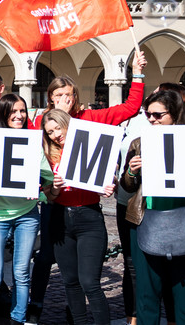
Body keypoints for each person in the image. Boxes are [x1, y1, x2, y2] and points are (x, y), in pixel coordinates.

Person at [121, 89, 185, 325]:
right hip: (146, 221)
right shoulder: (139, 143)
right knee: (147, 298)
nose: (152, 120)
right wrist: (130, 171)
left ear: (174, 114)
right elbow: (126, 187)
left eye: (158, 115)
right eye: (148, 115)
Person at [0, 94, 54, 325]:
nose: (18, 115)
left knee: (22, 274)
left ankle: (18, 320)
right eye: (13, 111)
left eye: (22, 111)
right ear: (3, 113)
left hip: (27, 213)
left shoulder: (32, 141)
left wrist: (38, 185)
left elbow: (46, 176)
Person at [39, 108, 116, 325]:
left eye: (57, 128)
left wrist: (109, 186)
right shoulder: (47, 155)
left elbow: (107, 179)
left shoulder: (90, 148)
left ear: (67, 124)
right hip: (60, 219)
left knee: (90, 282)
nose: (55, 134)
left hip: (90, 217)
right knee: (70, 281)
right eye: (50, 132)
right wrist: (53, 188)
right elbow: (50, 197)